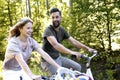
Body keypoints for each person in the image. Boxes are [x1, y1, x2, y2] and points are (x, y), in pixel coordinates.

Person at [41, 8, 97, 75]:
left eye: (57, 17)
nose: (55, 19)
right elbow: (56, 45)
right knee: (59, 76)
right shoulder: (48, 30)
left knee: (77, 67)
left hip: (58, 57)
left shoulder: (62, 30)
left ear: (61, 18)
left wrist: (88, 49)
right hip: (48, 61)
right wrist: (73, 52)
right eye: (53, 17)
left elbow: (73, 41)